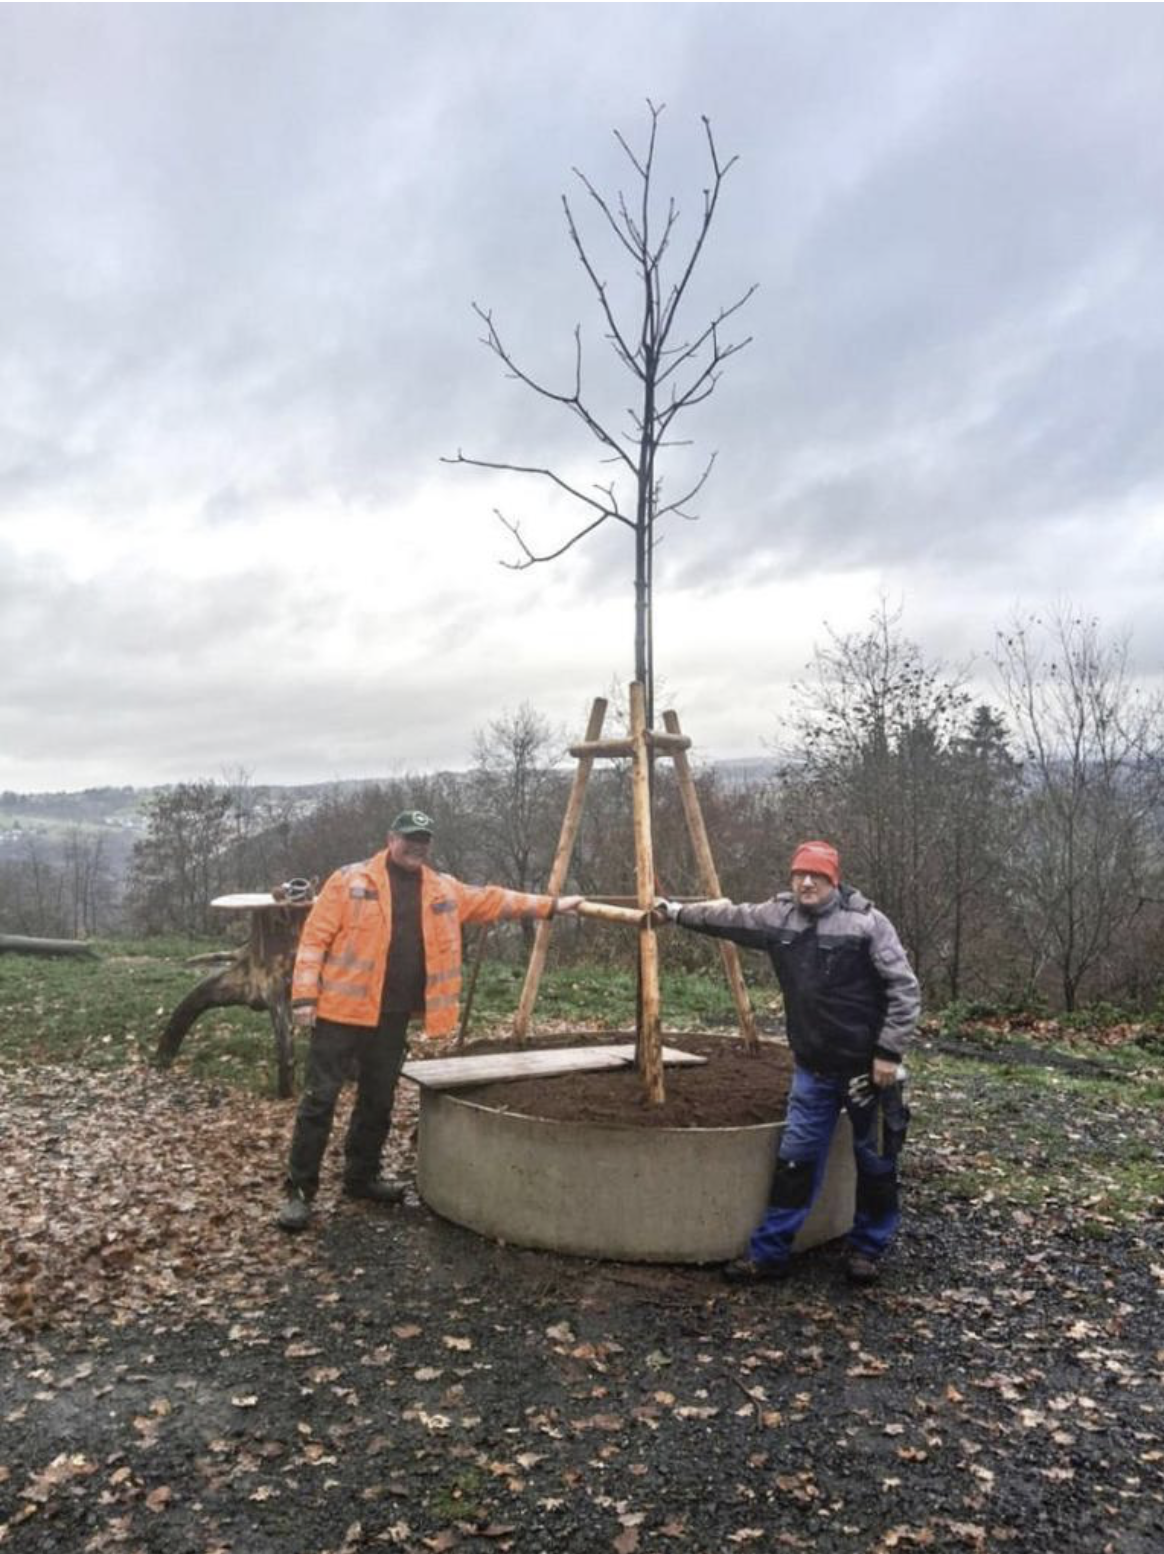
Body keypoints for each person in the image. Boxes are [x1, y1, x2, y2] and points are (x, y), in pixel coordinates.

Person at [276, 808, 582, 1231]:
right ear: (390, 838)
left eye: (423, 840)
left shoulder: (441, 889)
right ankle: (298, 1192)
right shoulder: (349, 881)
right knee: (319, 1100)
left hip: (393, 1015)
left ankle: (360, 1177)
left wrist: (552, 906)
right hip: (339, 1014)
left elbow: (495, 900)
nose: (415, 846)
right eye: (408, 838)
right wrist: (305, 998)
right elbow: (314, 939)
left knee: (378, 1099)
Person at [656, 839, 919, 1285]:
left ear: (833, 881)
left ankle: (867, 1249)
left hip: (868, 1073)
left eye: (817, 875)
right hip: (813, 1070)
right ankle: (770, 1253)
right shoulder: (780, 918)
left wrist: (888, 1054)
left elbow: (904, 990)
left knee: (875, 1160)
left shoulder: (867, 924)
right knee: (795, 1161)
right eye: (800, 874)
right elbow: (729, 917)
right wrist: (676, 911)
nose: (807, 882)